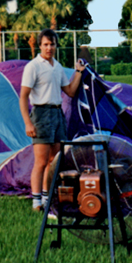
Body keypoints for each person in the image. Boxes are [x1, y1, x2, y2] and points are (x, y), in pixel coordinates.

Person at [20, 29, 86, 212]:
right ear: (40, 46)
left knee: (54, 161)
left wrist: (79, 72)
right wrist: (28, 122)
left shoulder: (57, 67)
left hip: (57, 115)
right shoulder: (33, 67)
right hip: (41, 115)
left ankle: (48, 199)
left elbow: (70, 91)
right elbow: (23, 96)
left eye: (52, 44)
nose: (49, 48)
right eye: (46, 44)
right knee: (40, 162)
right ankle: (36, 203)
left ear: (56, 46)